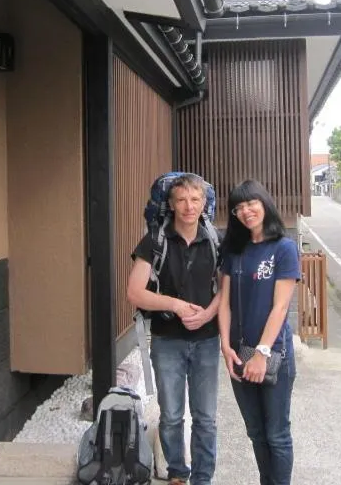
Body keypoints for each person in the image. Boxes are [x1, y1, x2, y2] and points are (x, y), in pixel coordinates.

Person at [126, 173, 221, 485]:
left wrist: (208, 314)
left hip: (207, 340)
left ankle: (203, 478)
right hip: (168, 341)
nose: (188, 206)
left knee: (206, 418)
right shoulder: (154, 242)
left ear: (204, 203)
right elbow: (135, 292)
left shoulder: (215, 240)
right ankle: (178, 474)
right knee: (171, 416)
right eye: (181, 199)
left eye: (195, 199)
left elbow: (227, 290)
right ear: (170, 203)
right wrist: (177, 305)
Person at [218, 179, 301, 485]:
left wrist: (262, 353)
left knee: (277, 434)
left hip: (273, 353)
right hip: (239, 355)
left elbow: (280, 308)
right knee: (255, 432)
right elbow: (224, 303)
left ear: (264, 203)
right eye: (238, 208)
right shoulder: (234, 250)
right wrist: (225, 346)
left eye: (251, 203)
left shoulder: (284, 248)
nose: (245, 211)